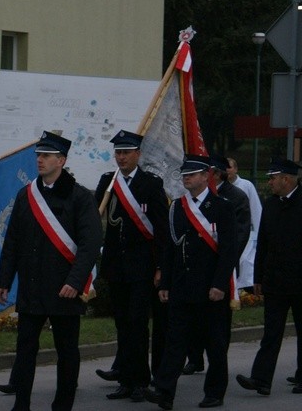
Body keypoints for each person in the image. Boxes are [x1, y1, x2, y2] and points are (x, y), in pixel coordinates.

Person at [0, 131, 102, 411]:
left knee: (66, 352)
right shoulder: (26, 195)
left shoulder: (80, 197)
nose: (40, 160)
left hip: (64, 289)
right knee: (25, 350)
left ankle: (63, 404)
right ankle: (21, 404)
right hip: (32, 287)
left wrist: (75, 282)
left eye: (46, 156)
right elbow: (13, 241)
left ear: (62, 160)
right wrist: (4, 279)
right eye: (38, 155)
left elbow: (90, 245)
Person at [143, 155, 236, 410]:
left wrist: (219, 284)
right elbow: (171, 250)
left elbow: (228, 250)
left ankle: (215, 392)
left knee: (215, 344)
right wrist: (165, 284)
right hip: (182, 287)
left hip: (210, 289)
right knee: (175, 342)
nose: (187, 177)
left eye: (193, 173)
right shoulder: (176, 208)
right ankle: (164, 391)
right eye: (185, 174)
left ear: (206, 176)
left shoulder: (222, 207)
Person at [236, 157, 302, 396]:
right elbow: (263, 243)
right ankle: (261, 379)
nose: (270, 183)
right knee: (271, 333)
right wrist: (258, 277)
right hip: (275, 280)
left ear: (286, 179)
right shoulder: (271, 204)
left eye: (273, 178)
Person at [93, 130, 169, 401]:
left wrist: (160, 266)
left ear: (138, 154)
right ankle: (125, 379)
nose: (121, 157)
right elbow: (96, 217)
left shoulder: (151, 184)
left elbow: (160, 229)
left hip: (142, 267)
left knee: (138, 324)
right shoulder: (108, 182)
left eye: (126, 152)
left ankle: (140, 380)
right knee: (122, 324)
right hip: (116, 266)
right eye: (118, 153)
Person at [183, 155, 251, 376]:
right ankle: (194, 358)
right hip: (195, 270)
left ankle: (217, 365)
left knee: (217, 325)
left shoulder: (235, 197)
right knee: (193, 321)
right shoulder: (186, 201)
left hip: (222, 266)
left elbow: (239, 234)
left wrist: (227, 261)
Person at [226, 157, 262, 290]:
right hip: (228, 232)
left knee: (245, 261)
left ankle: (245, 289)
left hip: (246, 232)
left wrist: (259, 234)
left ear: (235, 169)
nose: (227, 170)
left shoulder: (246, 186)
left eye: (229, 167)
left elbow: (256, 209)